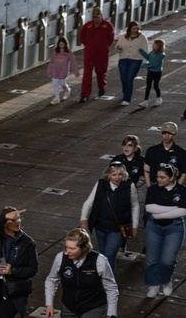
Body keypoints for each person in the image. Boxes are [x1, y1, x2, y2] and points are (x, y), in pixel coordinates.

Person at [79, 161, 139, 275]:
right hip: (101, 226)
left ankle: (107, 281)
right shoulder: (101, 184)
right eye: (114, 175)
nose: (117, 178)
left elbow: (135, 205)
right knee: (103, 254)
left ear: (124, 174)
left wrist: (135, 225)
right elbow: (88, 203)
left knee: (109, 254)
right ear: (108, 175)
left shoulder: (129, 185)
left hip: (118, 228)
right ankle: (104, 278)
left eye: (120, 174)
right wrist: (84, 219)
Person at [144, 163, 186, 298]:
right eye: (157, 177)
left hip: (174, 227)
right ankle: (153, 284)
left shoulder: (182, 191)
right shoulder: (153, 190)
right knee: (151, 259)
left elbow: (183, 211)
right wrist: (174, 209)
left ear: (172, 177)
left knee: (168, 260)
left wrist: (160, 214)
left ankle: (166, 281)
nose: (159, 180)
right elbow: (149, 208)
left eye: (162, 177)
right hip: (153, 227)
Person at [78, 7, 115, 103]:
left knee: (100, 71)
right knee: (87, 74)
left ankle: (101, 87)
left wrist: (103, 47)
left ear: (101, 16)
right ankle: (85, 95)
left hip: (102, 53)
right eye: (94, 17)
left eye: (98, 17)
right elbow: (82, 38)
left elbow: (110, 39)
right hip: (89, 52)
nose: (96, 19)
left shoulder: (108, 26)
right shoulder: (87, 26)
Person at [114, 21, 148, 106]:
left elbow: (145, 50)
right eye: (133, 28)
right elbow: (118, 47)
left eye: (137, 28)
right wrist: (118, 48)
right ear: (129, 29)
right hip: (123, 59)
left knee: (129, 78)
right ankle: (126, 92)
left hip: (136, 60)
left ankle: (127, 98)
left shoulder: (142, 38)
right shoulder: (123, 37)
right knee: (123, 78)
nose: (135, 30)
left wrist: (145, 62)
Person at [143, 122, 186, 186]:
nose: (166, 136)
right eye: (164, 133)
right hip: (154, 186)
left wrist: (177, 188)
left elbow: (184, 173)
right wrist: (149, 187)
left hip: (172, 186)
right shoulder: (152, 151)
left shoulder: (181, 153)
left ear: (175, 134)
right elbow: (146, 170)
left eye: (170, 133)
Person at [46, 36, 80, 104]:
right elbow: (51, 61)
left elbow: (73, 62)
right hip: (55, 70)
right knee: (55, 84)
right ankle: (57, 98)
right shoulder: (55, 51)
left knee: (62, 83)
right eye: (60, 44)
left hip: (63, 71)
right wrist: (49, 71)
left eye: (62, 44)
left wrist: (76, 72)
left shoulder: (69, 52)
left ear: (65, 44)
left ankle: (67, 90)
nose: (61, 46)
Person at [138, 38, 166, 108]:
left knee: (156, 86)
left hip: (157, 73)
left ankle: (159, 98)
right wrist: (142, 52)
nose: (153, 45)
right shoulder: (152, 52)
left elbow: (155, 64)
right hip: (150, 71)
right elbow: (148, 58)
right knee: (148, 86)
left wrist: (143, 66)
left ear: (158, 46)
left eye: (154, 44)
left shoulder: (161, 55)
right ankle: (145, 101)